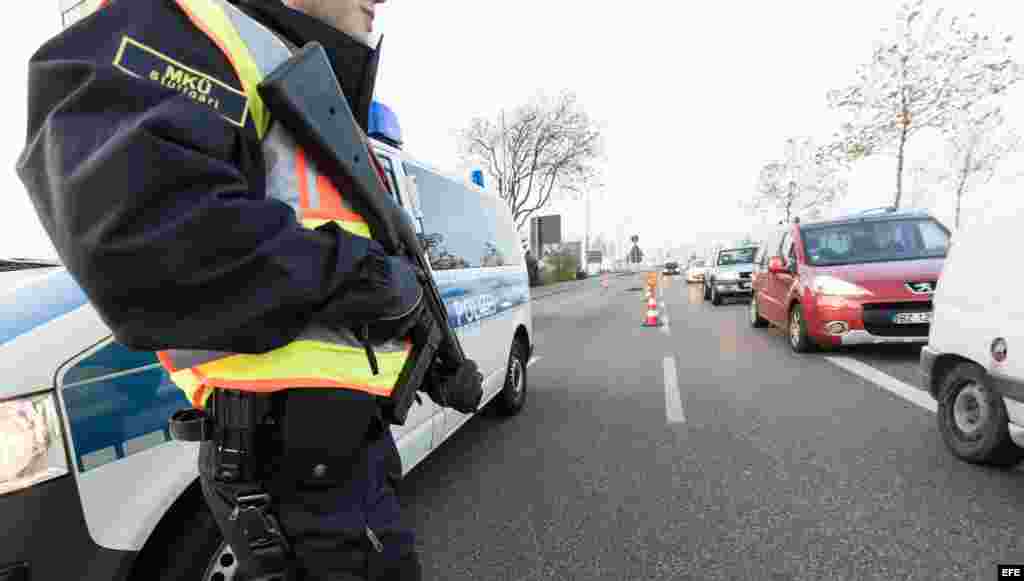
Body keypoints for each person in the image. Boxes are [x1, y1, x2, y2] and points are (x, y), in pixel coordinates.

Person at [16, 0, 442, 579]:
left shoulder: (287, 67)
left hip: (332, 452)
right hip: (290, 456)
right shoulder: (184, 26)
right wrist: (360, 274)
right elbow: (139, 234)